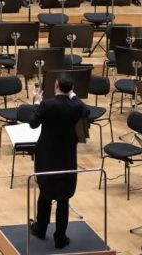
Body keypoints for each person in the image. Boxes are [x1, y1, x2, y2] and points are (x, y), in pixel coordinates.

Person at [28, 73, 89, 249]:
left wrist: (37, 102)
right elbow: (85, 111)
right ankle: (60, 237)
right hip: (67, 156)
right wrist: (73, 95)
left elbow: (33, 123)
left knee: (44, 194)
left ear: (56, 85)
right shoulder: (76, 106)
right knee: (64, 199)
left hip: (47, 155)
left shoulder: (47, 105)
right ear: (71, 89)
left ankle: (40, 228)